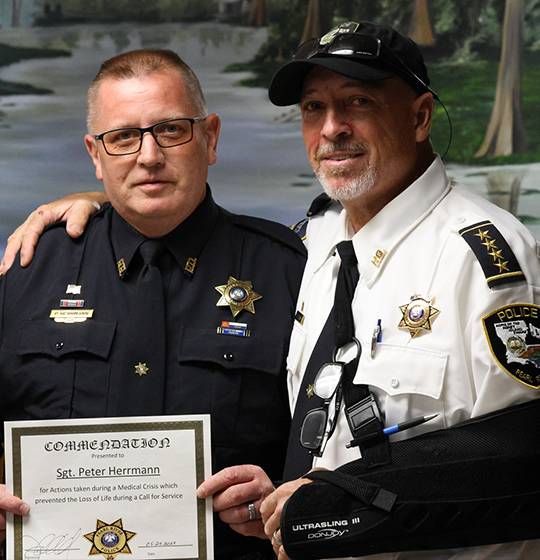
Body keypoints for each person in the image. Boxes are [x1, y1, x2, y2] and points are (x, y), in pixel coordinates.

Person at [3, 21, 540, 559]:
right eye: (313, 108)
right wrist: (100, 204)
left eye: (359, 101)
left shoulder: (481, 257)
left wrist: (334, 504)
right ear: (96, 153)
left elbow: (522, 459)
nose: (332, 128)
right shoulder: (321, 239)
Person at [0, 48, 306, 560]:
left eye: (170, 130)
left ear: (210, 137)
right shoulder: (28, 269)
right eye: (122, 137)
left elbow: (333, 451)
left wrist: (280, 493)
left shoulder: (292, 270)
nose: (148, 156)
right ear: (95, 156)